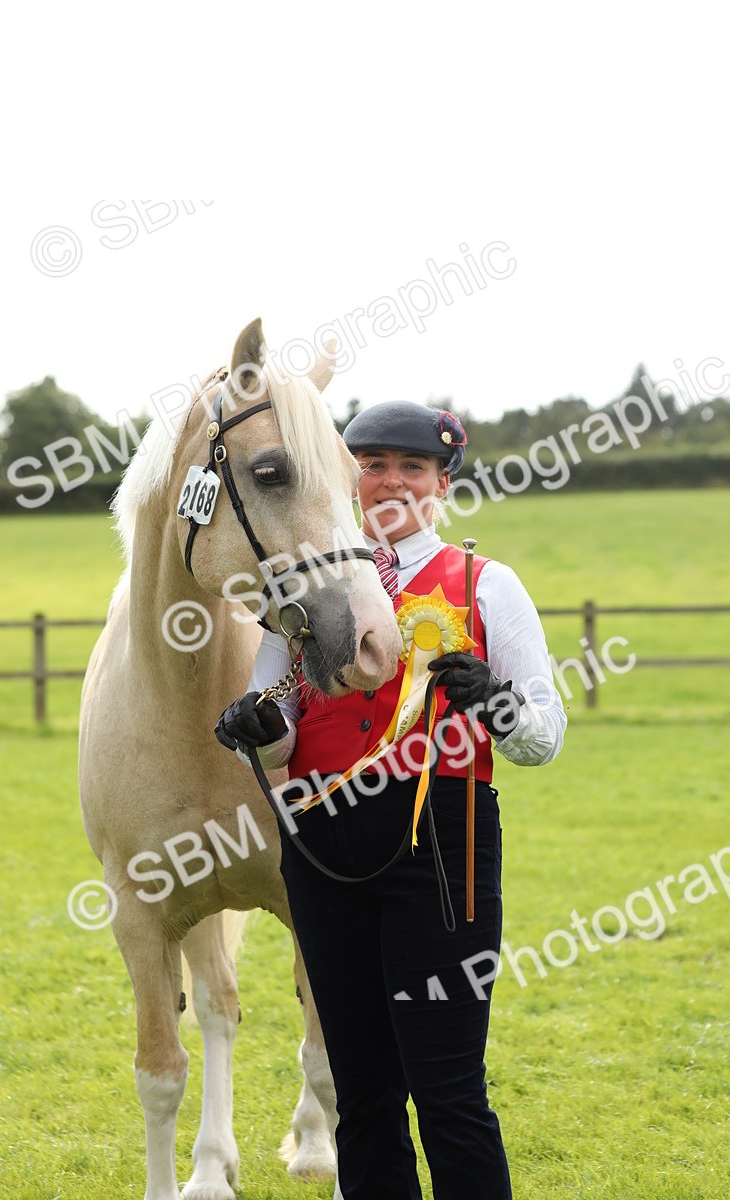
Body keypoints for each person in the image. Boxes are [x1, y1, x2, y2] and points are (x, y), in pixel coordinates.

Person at [215, 401, 566, 1200]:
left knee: (447, 1089)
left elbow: (545, 734)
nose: (391, 483)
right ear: (348, 480)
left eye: (412, 469)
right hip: (324, 846)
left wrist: (496, 704)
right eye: (373, 466)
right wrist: (253, 725)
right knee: (363, 1093)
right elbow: (274, 729)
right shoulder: (301, 596)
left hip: (442, 846)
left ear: (442, 483)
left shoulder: (488, 584)